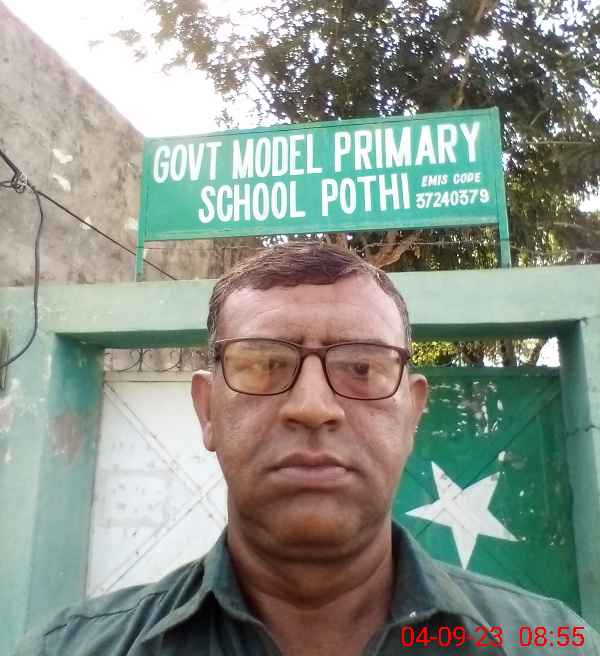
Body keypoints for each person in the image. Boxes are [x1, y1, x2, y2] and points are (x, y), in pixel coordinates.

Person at [15, 243, 600, 655]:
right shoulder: (69, 649)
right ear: (207, 410)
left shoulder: (550, 643)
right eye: (264, 364)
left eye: (363, 367)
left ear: (412, 412)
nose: (313, 406)